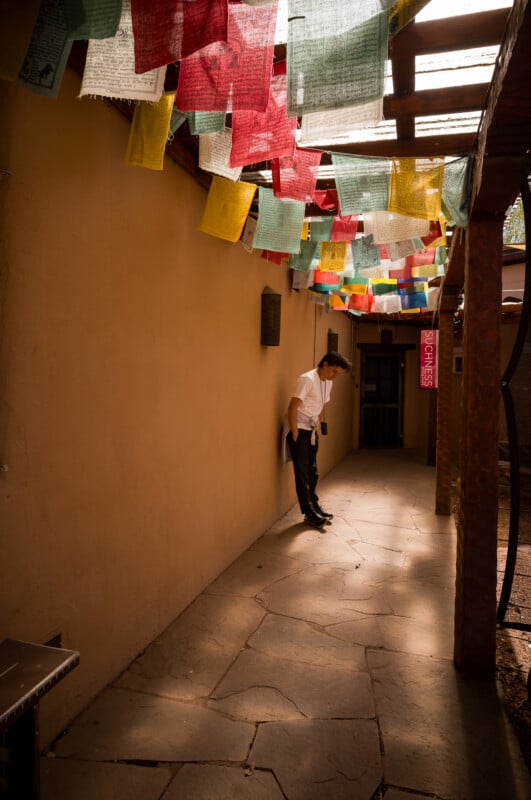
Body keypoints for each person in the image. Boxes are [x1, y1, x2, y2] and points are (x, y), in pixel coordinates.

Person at [286, 351, 352, 528]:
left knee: (312, 471)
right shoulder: (307, 379)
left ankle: (315, 506)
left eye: (338, 373)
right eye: (334, 371)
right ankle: (309, 513)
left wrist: (317, 425)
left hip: (311, 430)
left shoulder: (327, 383)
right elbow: (292, 408)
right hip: (299, 430)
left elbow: (322, 405)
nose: (335, 376)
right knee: (302, 474)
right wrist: (295, 434)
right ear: (325, 364)